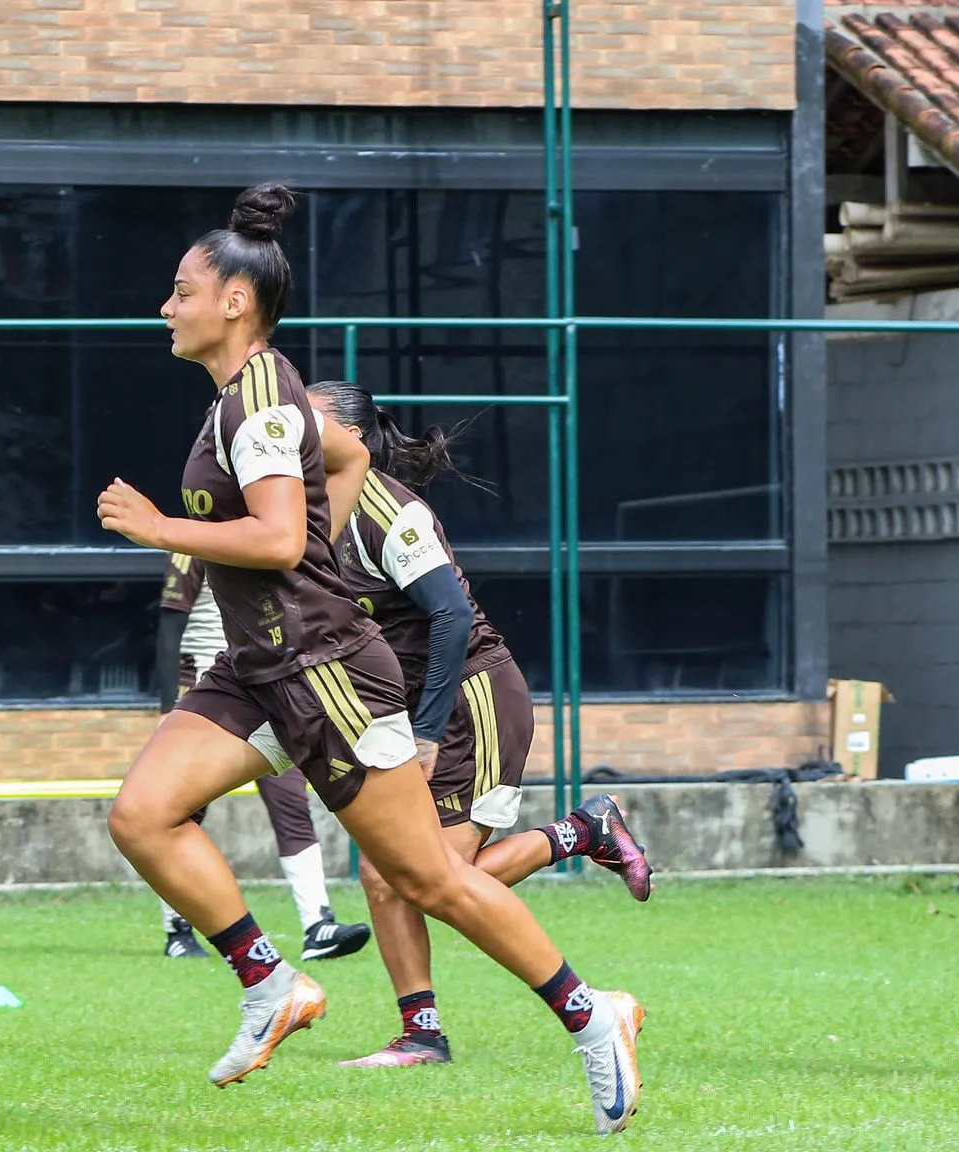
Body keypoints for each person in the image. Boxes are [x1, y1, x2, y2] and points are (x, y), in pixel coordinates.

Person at [96, 183, 644, 1133]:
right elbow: (346, 461)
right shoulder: (249, 396)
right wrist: (319, 547)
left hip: (324, 672)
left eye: (181, 291)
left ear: (235, 301)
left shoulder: (262, 401)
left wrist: (158, 528)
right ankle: (273, 985)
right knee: (142, 815)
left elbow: (277, 540)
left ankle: (594, 1016)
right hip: (257, 667)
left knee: (427, 880)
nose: (165, 307)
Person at [307, 379, 654, 1069]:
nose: (285, 432)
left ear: (351, 435)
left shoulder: (389, 510)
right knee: (384, 873)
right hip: (410, 711)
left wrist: (427, 731)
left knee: (434, 878)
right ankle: (421, 1035)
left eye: (304, 419)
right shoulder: (311, 512)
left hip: (475, 702)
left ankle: (583, 831)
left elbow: (453, 615)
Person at [155, 552, 371, 961]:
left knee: (291, 800)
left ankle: (317, 923)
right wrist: (169, 704)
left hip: (266, 686)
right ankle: (177, 927)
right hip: (208, 691)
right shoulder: (195, 536)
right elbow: (171, 619)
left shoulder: (269, 536)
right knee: (182, 809)